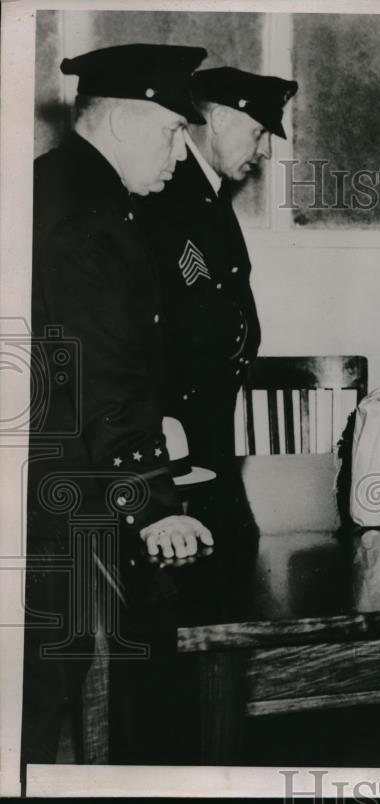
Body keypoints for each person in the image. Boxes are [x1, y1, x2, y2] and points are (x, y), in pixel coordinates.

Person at [26, 43, 213, 768]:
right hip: (52, 494)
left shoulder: (54, 184)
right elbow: (98, 369)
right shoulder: (91, 214)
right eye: (171, 130)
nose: (179, 151)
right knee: (42, 692)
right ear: (125, 122)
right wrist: (151, 500)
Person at [137, 67, 298, 476]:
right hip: (178, 411)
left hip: (205, 402)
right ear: (221, 119)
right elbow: (187, 305)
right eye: (258, 133)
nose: (263, 150)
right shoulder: (172, 187)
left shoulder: (206, 189)